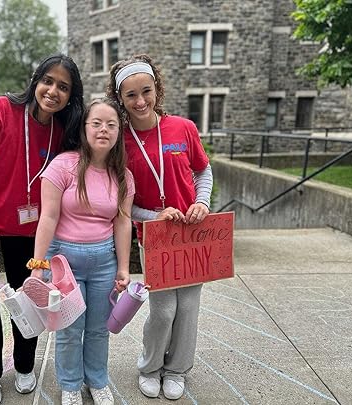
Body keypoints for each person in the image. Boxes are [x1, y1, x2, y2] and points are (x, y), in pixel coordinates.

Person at [0, 53, 84, 405]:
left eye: (63, 87)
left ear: (71, 96)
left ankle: (25, 366)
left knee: (28, 296)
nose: (53, 91)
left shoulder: (63, 130)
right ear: (35, 80)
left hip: (24, 227)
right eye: (48, 81)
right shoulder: (0, 110)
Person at [106, 54, 213, 401]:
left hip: (192, 233)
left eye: (146, 91)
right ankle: (150, 367)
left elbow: (203, 171)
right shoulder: (119, 141)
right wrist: (153, 216)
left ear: (157, 89)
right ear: (119, 99)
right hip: (154, 236)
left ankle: (177, 370)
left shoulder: (183, 128)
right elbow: (122, 203)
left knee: (189, 308)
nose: (140, 101)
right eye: (130, 95)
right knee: (164, 309)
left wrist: (202, 202)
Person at [28, 97, 135, 405]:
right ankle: (71, 384)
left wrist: (123, 268)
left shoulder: (123, 176)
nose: (104, 130)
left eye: (111, 124)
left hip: (104, 262)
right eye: (97, 123)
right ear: (84, 128)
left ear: (118, 132)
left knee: (100, 329)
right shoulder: (63, 165)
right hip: (65, 262)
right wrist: (38, 265)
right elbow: (47, 217)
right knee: (70, 330)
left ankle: (97, 380)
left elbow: (123, 223)